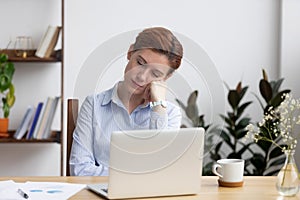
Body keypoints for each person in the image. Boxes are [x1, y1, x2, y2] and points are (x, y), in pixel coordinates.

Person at [69, 27, 184, 176]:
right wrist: (137, 176)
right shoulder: (94, 105)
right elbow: (79, 169)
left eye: (155, 74)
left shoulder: (169, 114)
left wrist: (158, 108)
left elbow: (161, 171)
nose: (141, 77)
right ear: (130, 52)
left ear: (164, 79)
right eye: (140, 63)